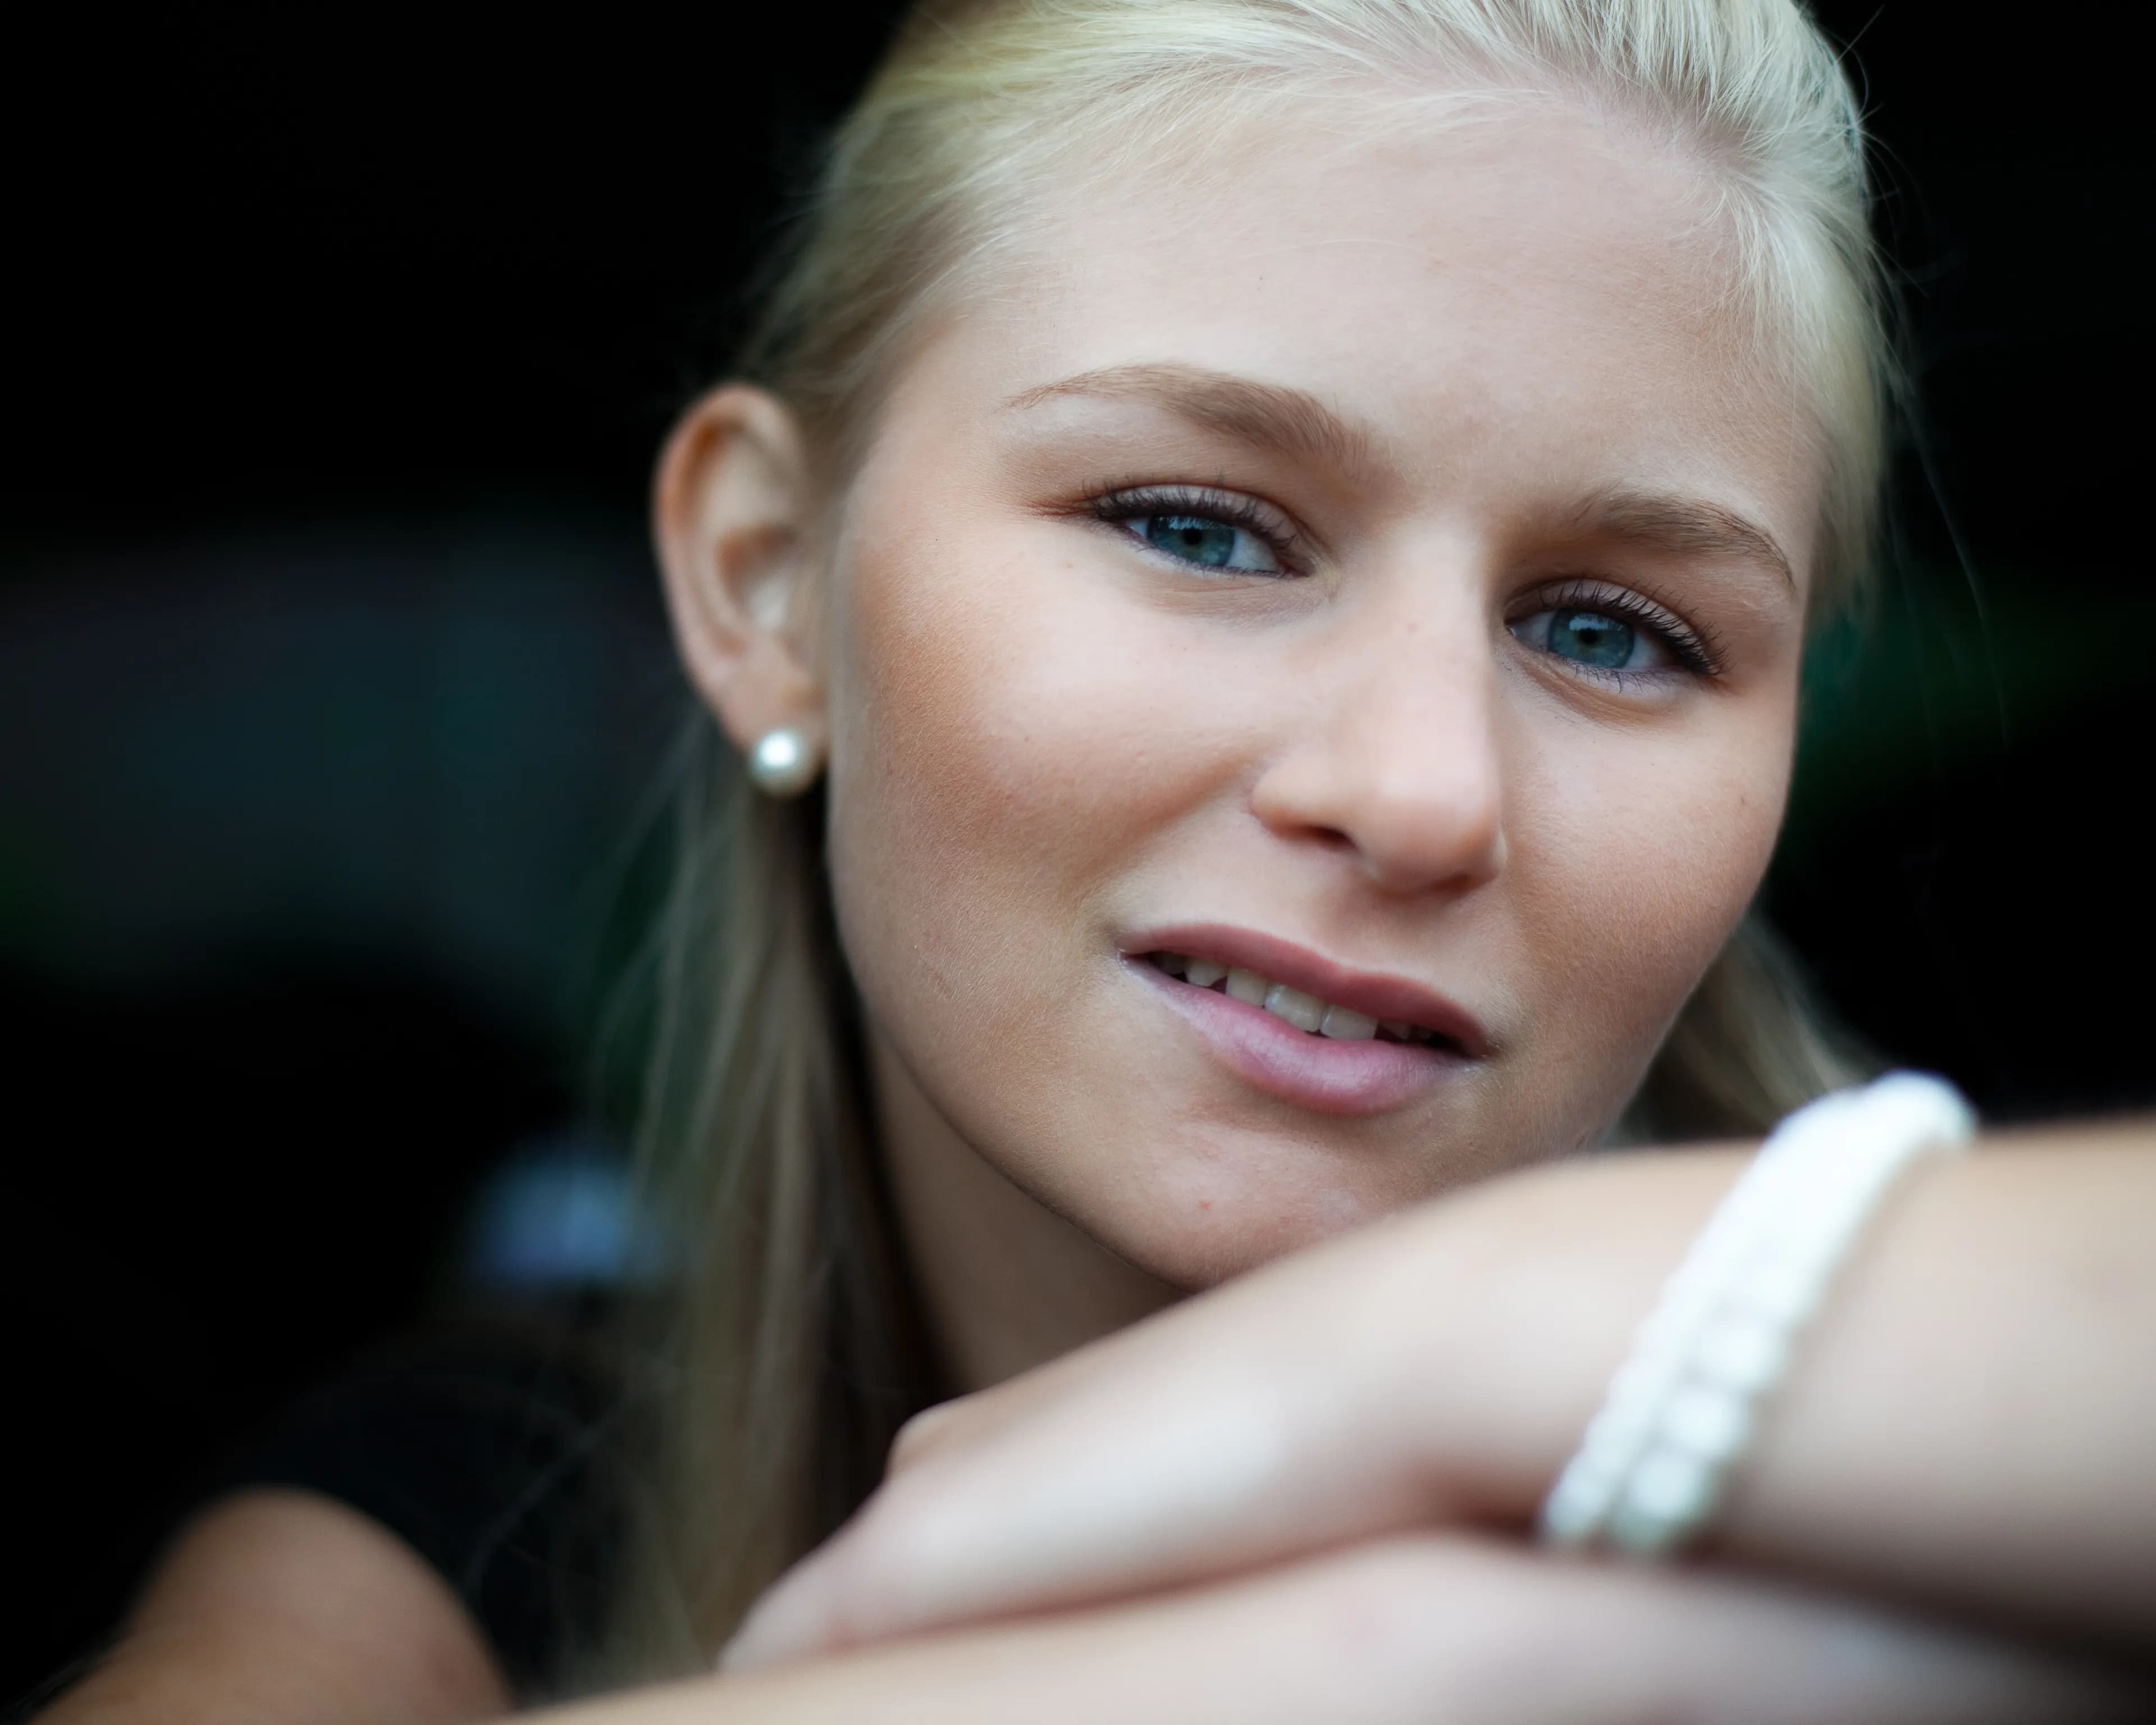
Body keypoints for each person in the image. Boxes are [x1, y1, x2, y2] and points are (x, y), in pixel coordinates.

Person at [39, 1, 2153, 1719]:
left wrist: (1506, 1359)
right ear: (773, 581)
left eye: (1612, 634)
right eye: (1200, 527)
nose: (1421, 793)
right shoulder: (478, 1516)